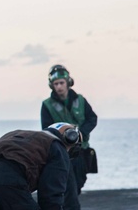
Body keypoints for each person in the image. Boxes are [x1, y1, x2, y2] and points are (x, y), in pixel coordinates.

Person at [40, 64, 98, 194]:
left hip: (81, 150)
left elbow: (92, 118)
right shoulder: (47, 105)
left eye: (61, 83)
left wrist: (81, 133)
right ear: (51, 85)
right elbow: (46, 129)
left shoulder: (81, 100)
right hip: (62, 152)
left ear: (68, 82)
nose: (59, 86)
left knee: (79, 182)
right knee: (65, 187)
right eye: (56, 84)